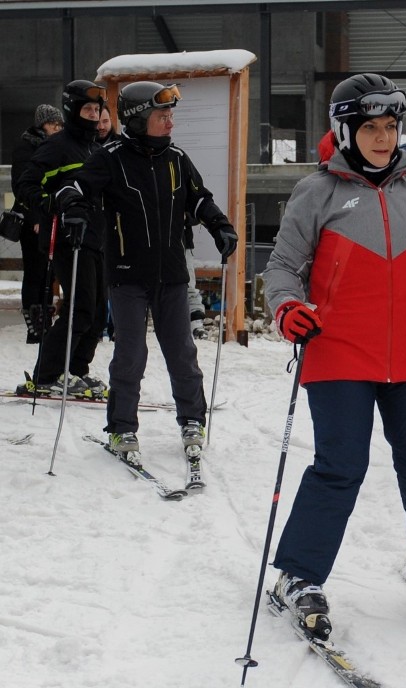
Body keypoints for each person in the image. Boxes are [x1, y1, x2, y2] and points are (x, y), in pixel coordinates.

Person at [263, 72, 406, 639]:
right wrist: (288, 308)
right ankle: (299, 575)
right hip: (339, 351)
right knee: (340, 466)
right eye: (372, 128)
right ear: (346, 130)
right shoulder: (318, 192)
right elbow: (283, 268)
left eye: (391, 127)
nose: (384, 138)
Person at [53, 81, 238, 459]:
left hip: (170, 275)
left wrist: (220, 225)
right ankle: (122, 427)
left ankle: (192, 419)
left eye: (171, 115)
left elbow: (199, 198)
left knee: (182, 352)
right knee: (131, 355)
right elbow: (71, 187)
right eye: (162, 116)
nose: (170, 122)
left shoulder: (177, 159)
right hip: (126, 274)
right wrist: (72, 205)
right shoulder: (111, 157)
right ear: (139, 119)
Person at [14, 82, 109, 398]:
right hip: (68, 238)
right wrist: (54, 206)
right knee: (79, 308)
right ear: (72, 111)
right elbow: (26, 185)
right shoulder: (58, 146)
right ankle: (46, 375)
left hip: (96, 238)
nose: (94, 115)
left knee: (97, 312)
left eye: (97, 110)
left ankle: (77, 370)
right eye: (88, 109)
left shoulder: (95, 148)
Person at [10, 103, 63, 343]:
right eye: (53, 123)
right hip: (33, 221)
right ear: (42, 124)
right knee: (35, 271)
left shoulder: (55, 147)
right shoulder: (25, 147)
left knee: (49, 273)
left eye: (60, 124)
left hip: (50, 217)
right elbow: (22, 187)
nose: (57, 128)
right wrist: (35, 218)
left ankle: (45, 319)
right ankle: (34, 324)